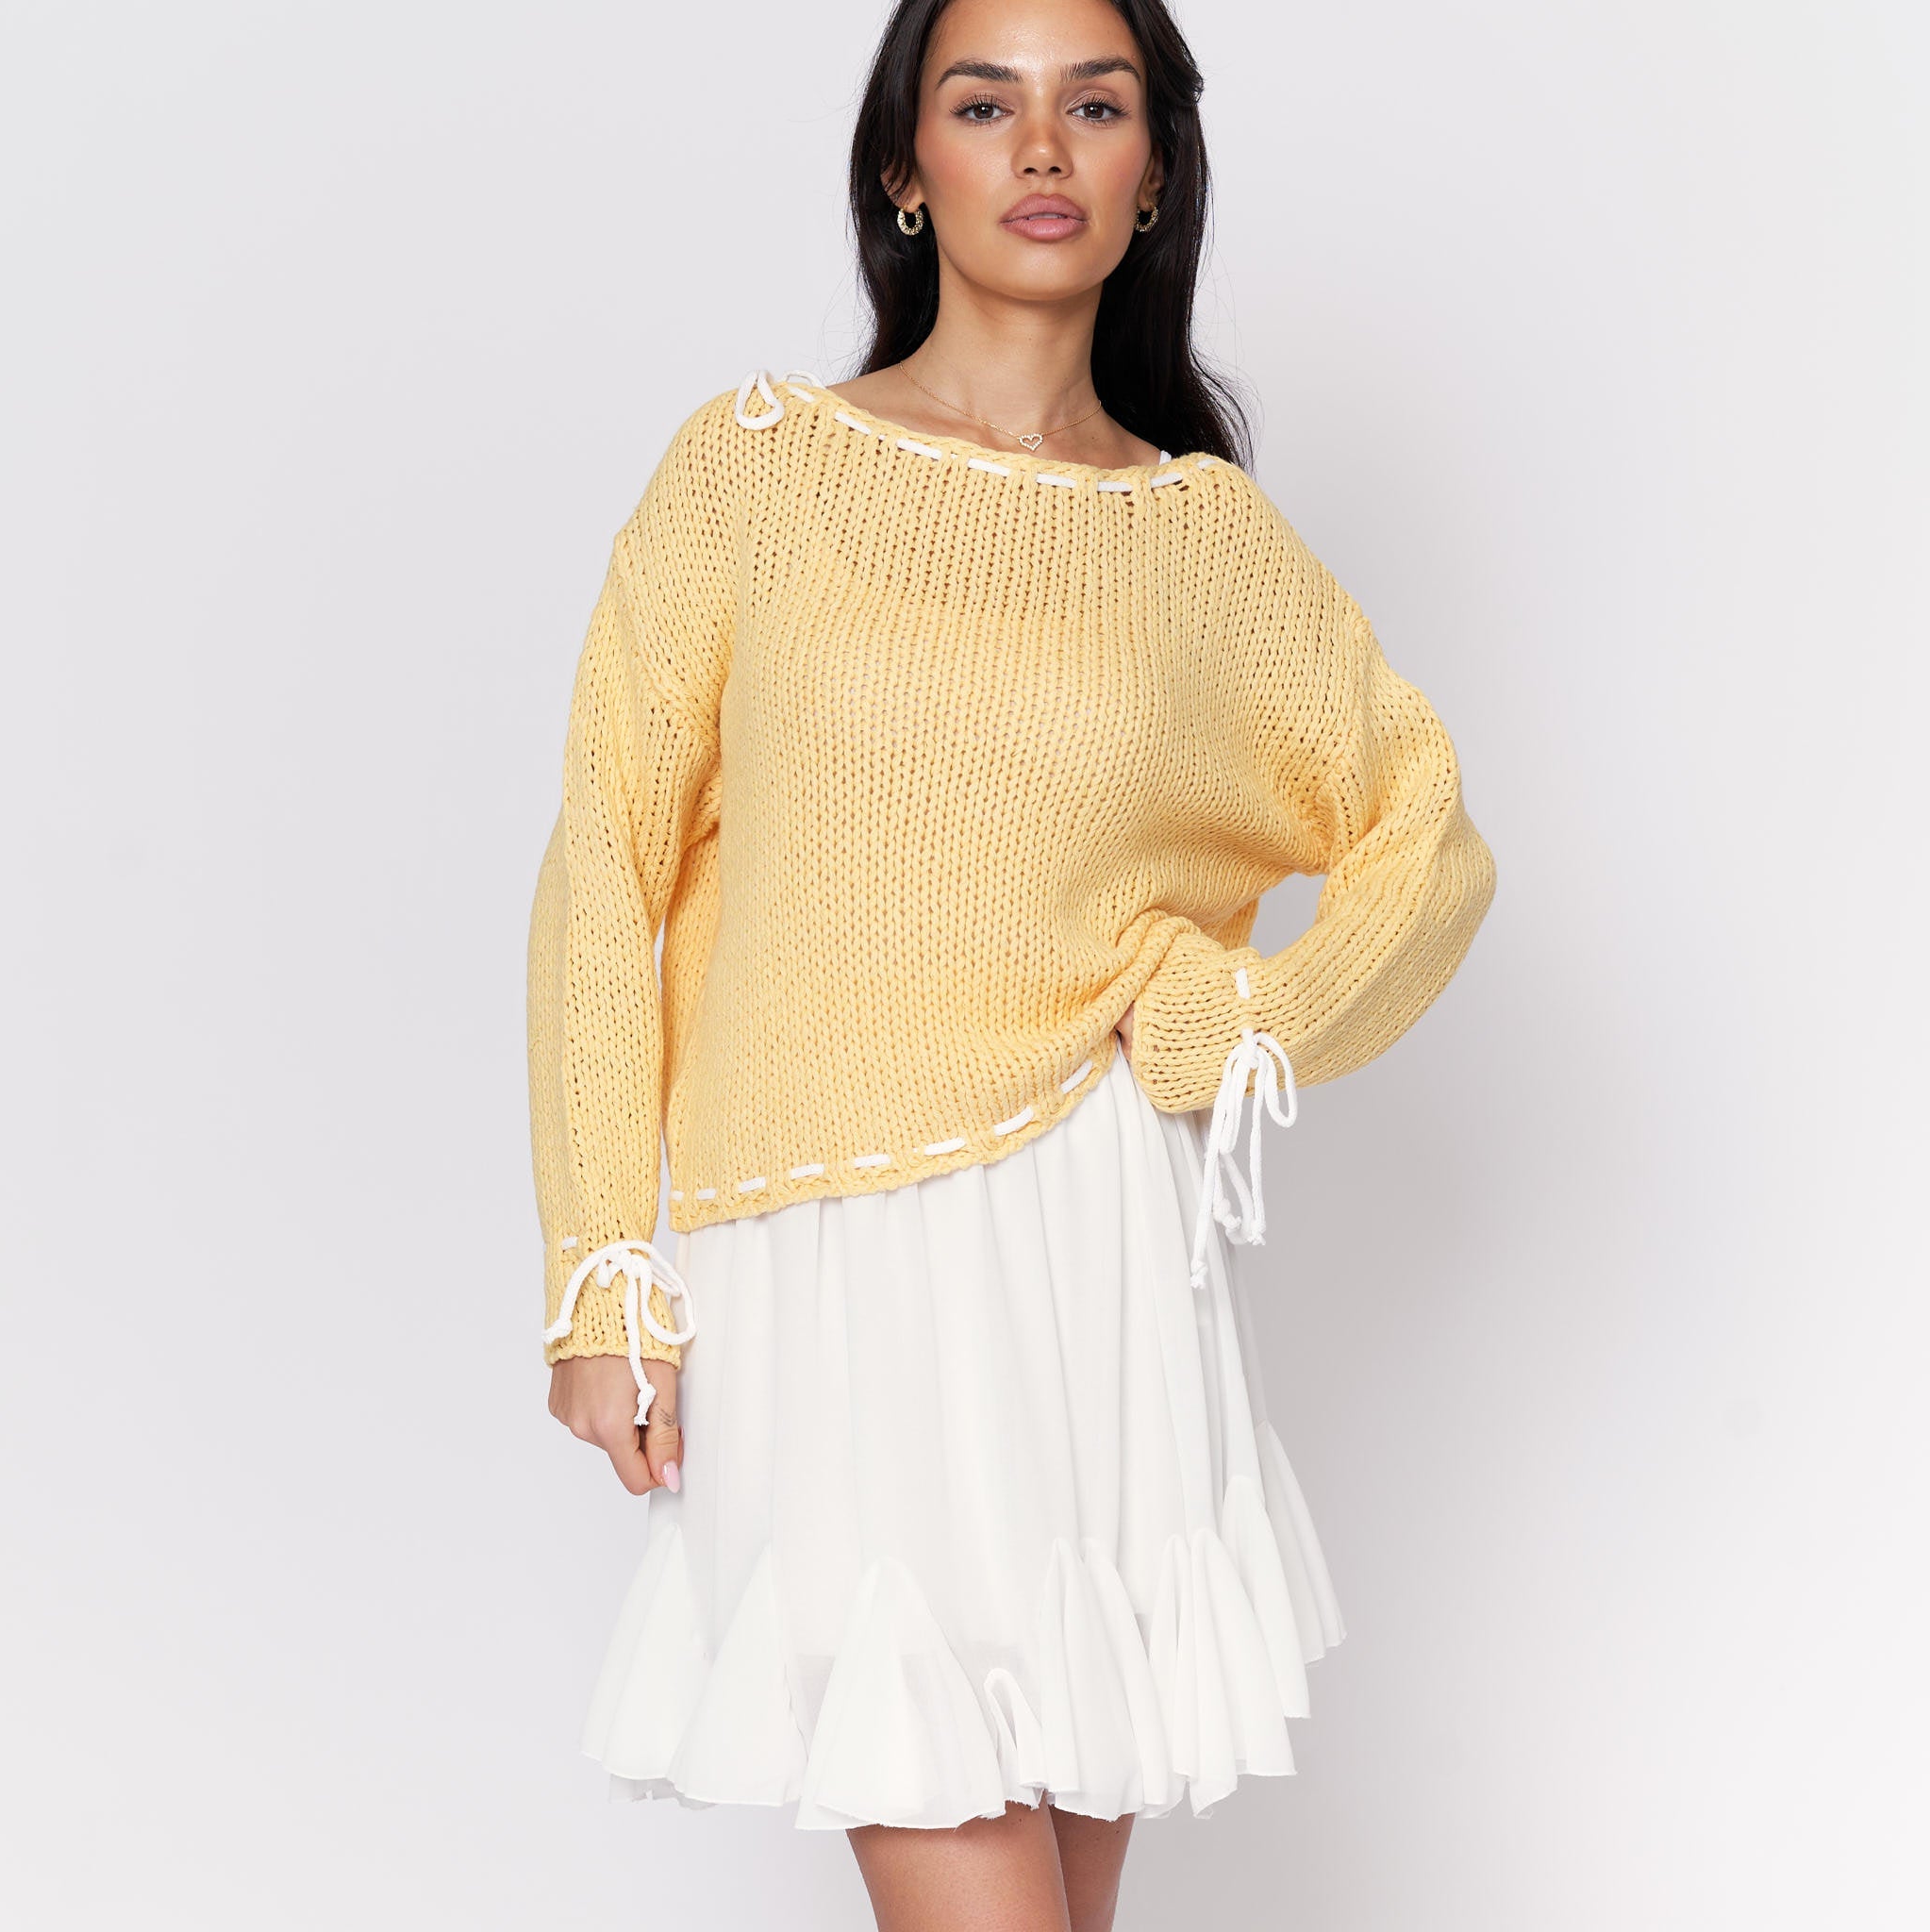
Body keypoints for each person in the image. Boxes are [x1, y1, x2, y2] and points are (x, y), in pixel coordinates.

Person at [528, 0, 1497, 1924]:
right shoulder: (753, 473)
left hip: (1100, 1255)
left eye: (1095, 105)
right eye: (985, 105)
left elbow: (1428, 838)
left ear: (1154, 174)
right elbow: (605, 866)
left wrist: (1255, 1018)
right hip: (832, 1260)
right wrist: (599, 1269)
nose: (1042, 149)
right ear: (908, 166)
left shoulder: (1205, 542)